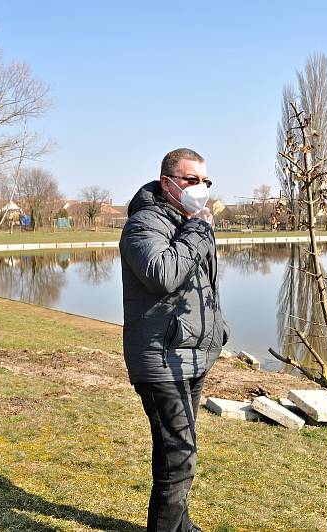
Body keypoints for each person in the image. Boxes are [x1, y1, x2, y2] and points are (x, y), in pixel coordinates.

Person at [120, 148, 229, 532]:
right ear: (168, 183)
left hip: (191, 355)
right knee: (180, 459)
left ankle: (180, 526)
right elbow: (162, 275)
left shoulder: (188, 221)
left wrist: (217, 329)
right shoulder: (144, 224)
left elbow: (202, 286)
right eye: (192, 180)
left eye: (206, 181)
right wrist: (199, 228)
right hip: (160, 359)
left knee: (175, 454)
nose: (201, 188)